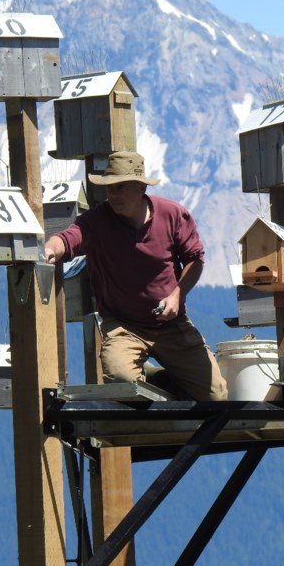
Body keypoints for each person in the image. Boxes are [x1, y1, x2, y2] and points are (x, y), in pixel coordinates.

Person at [43, 150, 227, 401]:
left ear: (141, 188)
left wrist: (177, 296)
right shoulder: (97, 222)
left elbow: (195, 259)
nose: (112, 195)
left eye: (120, 188)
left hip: (171, 324)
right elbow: (69, 238)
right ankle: (148, 377)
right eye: (109, 188)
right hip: (123, 326)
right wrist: (50, 249)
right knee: (122, 382)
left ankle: (162, 378)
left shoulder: (173, 215)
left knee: (215, 396)